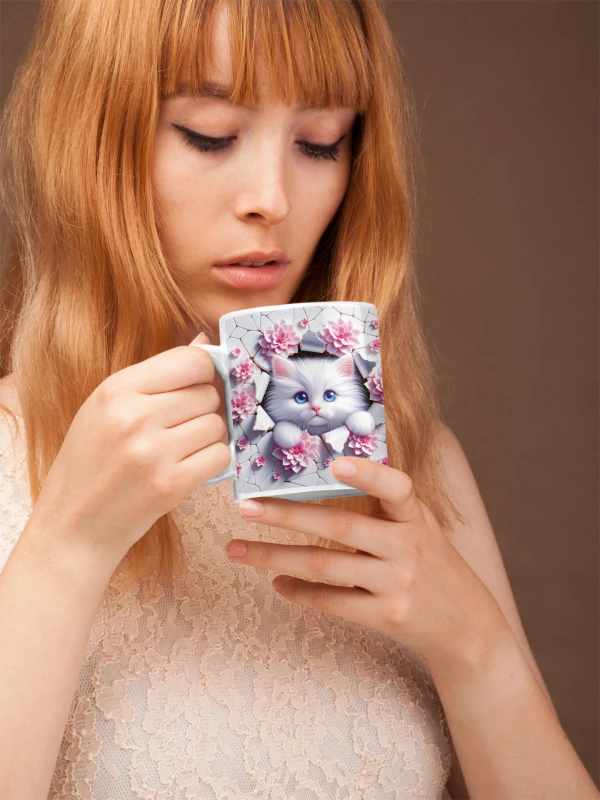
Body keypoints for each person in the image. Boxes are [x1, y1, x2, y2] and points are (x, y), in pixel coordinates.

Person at [0, 0, 597, 798]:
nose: (272, 199)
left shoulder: (410, 463)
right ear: (89, 139)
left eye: (322, 142)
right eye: (209, 133)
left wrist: (477, 649)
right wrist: (62, 558)